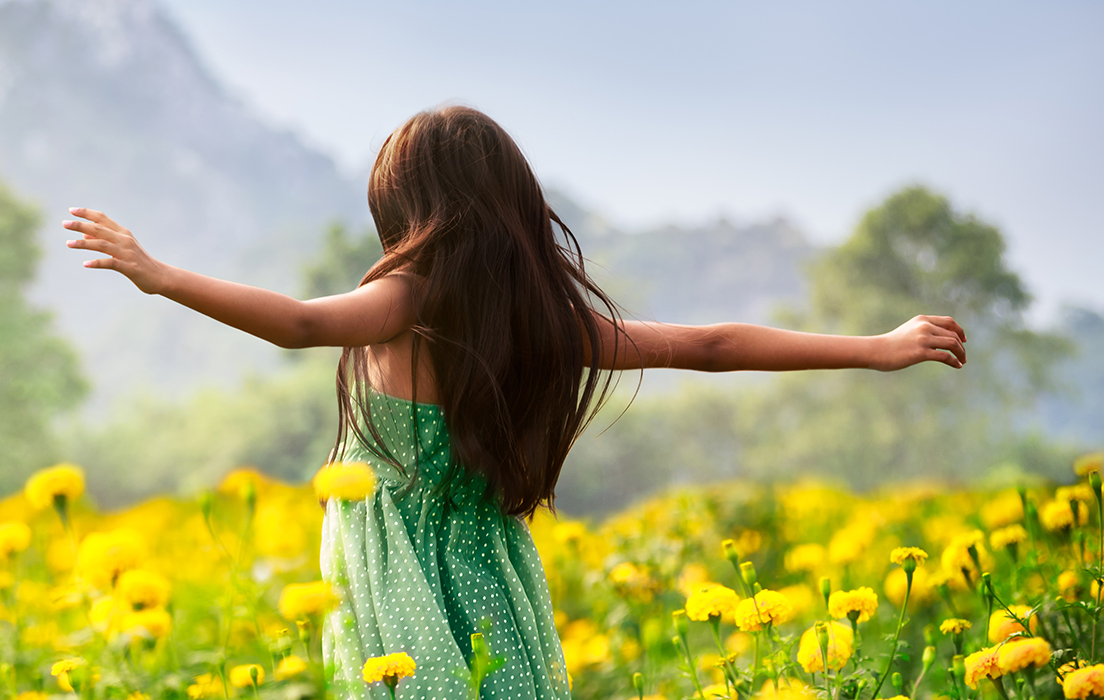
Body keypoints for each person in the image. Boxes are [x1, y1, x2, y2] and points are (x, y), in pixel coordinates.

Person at [61, 105, 967, 699]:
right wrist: (877, 349)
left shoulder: (411, 301)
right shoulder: (546, 323)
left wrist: (162, 276)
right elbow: (709, 346)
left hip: (395, 566)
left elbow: (300, 324)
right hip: (493, 563)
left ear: (408, 208)